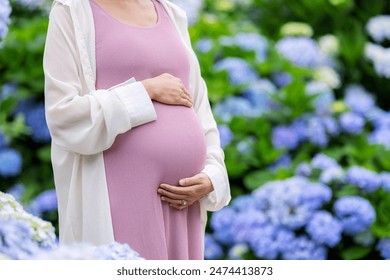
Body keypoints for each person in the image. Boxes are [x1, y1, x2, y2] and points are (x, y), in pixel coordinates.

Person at [43, 0, 230, 260]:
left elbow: (199, 109)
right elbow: (63, 116)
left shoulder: (171, 14)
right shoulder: (72, 11)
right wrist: (144, 90)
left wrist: (212, 176)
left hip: (182, 206)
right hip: (119, 201)